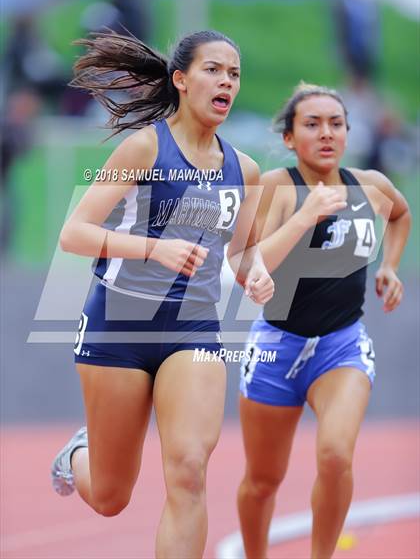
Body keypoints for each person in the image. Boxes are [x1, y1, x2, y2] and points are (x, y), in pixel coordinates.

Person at [51, 29, 274, 559]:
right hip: (118, 328)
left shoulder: (245, 170)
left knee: (190, 470)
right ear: (180, 79)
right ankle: (76, 455)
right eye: (213, 69)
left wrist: (257, 273)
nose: (226, 81)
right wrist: (152, 250)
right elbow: (74, 232)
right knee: (109, 496)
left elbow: (243, 251)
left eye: (234, 74)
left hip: (192, 327)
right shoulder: (146, 146)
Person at [237, 83, 411, 559]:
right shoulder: (276, 186)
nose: (326, 133)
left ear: (349, 133)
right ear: (290, 138)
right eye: (311, 124)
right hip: (277, 345)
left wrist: (389, 265)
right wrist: (304, 216)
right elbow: (245, 268)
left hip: (342, 344)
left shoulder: (370, 186)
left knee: (335, 454)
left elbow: (400, 214)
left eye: (336, 123)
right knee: (262, 479)